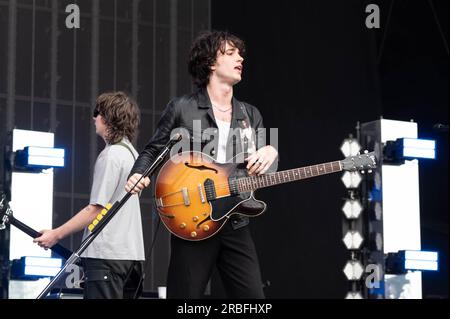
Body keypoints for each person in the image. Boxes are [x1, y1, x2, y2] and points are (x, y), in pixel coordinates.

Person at [126, 30, 278, 299]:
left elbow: (265, 169)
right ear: (210, 62)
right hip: (193, 218)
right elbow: (153, 149)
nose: (240, 58)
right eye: (230, 53)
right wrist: (139, 173)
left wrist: (270, 152)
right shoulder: (182, 107)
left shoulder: (250, 114)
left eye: (240, 53)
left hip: (236, 219)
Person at [34, 91, 145, 299]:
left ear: (108, 118)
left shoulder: (111, 155)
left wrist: (55, 235)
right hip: (132, 257)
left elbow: (96, 209)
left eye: (97, 113)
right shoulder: (132, 153)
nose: (94, 118)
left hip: (106, 257)